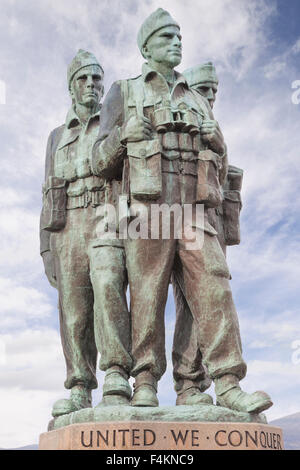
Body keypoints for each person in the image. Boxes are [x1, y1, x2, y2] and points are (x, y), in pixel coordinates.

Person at [92, 9, 272, 414]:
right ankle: (144, 381)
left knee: (214, 285)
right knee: (147, 296)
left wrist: (218, 139)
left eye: (179, 38)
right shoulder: (123, 91)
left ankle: (226, 383)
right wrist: (123, 137)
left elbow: (220, 167)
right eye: (167, 37)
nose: (176, 43)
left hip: (193, 209)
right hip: (148, 208)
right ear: (146, 46)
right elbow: (98, 161)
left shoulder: (196, 98)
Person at [40, 50, 132, 417]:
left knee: (109, 286)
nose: (91, 85)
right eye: (84, 79)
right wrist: (46, 248)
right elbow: (46, 191)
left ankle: (116, 376)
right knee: (74, 309)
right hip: (67, 226)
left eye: (97, 79)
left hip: (106, 215)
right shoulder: (56, 136)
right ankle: (79, 384)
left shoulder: (113, 122)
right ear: (71, 87)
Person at [172, 62, 244, 405]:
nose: (210, 96)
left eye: (214, 90)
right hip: (167, 217)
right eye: (203, 89)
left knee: (209, 295)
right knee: (183, 301)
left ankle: (203, 382)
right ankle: (183, 381)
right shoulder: (181, 117)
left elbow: (223, 173)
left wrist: (219, 143)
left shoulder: (214, 127)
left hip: (207, 220)